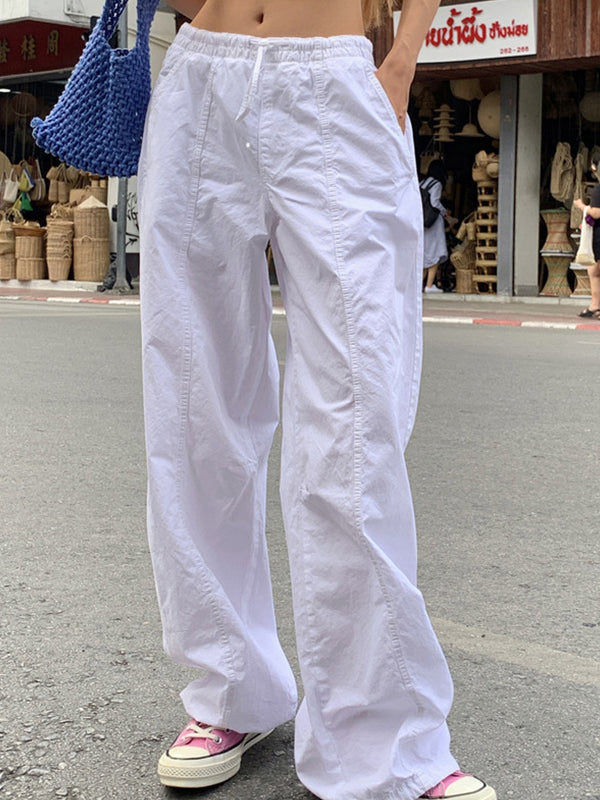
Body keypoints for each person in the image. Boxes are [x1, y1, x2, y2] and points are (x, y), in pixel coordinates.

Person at [137, 0, 497, 797]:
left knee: (355, 415)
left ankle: (384, 741)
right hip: (201, 78)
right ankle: (229, 687)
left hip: (335, 81)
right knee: (193, 403)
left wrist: (400, 62)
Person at [573, 154, 600, 318]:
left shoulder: (598, 189)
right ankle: (595, 306)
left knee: (594, 271)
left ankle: (596, 306)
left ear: (594, 168)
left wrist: (582, 206)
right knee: (594, 271)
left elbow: (596, 212)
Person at [421, 159, 448, 294]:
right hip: (433, 223)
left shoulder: (422, 183)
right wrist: (445, 213)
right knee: (435, 253)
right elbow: (435, 202)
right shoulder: (436, 184)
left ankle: (419, 286)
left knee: (425, 254)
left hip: (422, 221)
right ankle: (429, 285)